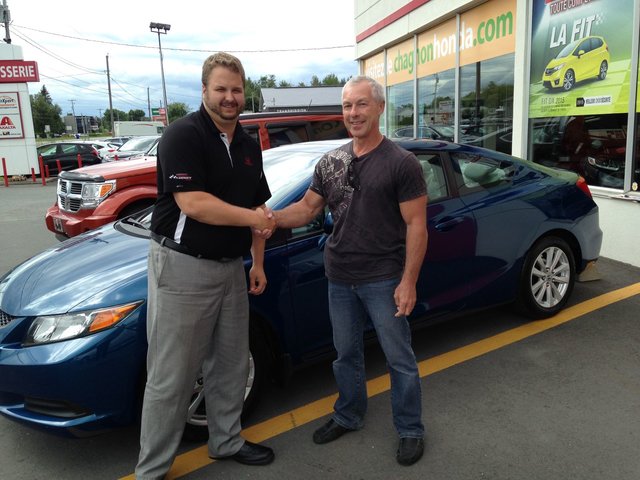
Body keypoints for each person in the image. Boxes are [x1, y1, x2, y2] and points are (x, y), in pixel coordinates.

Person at [273, 75, 428, 466]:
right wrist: (269, 218)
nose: (353, 113)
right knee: (345, 355)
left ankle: (410, 428)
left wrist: (408, 281)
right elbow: (307, 209)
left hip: (383, 278)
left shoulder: (401, 163)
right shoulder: (331, 162)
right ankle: (348, 414)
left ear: (379, 108)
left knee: (399, 358)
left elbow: (416, 225)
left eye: (361, 104)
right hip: (339, 276)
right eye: (347, 105)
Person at [135, 52, 276, 480]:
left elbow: (259, 206)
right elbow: (193, 204)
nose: (229, 97)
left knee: (231, 365)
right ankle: (151, 470)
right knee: (172, 377)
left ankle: (226, 441)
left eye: (236, 90)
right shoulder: (183, 135)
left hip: (232, 268)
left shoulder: (248, 145)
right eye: (221, 89)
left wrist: (257, 262)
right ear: (204, 90)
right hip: (182, 267)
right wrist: (253, 219)